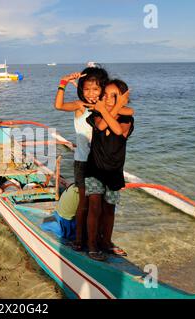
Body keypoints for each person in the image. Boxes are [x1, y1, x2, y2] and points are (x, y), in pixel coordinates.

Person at [54, 66, 133, 250]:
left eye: (96, 89)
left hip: (103, 163)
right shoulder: (81, 106)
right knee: (85, 204)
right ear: (81, 89)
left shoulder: (106, 107)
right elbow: (58, 105)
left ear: (103, 90)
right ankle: (80, 240)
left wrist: (117, 104)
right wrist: (63, 83)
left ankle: (100, 238)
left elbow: (130, 112)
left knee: (102, 207)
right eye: (87, 89)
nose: (91, 93)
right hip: (84, 162)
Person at [84, 79, 134, 261]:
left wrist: (112, 108)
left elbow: (118, 130)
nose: (107, 99)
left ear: (123, 99)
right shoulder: (96, 115)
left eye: (113, 96)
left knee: (109, 209)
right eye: (105, 95)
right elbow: (102, 125)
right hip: (94, 169)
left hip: (114, 171)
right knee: (95, 206)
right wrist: (109, 108)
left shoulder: (127, 118)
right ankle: (91, 245)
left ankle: (106, 242)